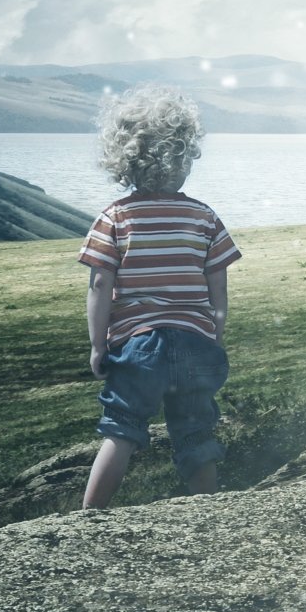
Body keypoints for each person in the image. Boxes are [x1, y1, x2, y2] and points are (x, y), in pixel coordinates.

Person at [77, 85, 242, 509]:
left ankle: (88, 517)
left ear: (125, 162)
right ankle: (208, 513)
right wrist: (214, 334)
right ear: (184, 158)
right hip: (194, 342)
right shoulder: (204, 217)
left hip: (138, 346)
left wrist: (99, 345)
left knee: (122, 429)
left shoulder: (115, 218)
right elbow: (217, 288)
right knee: (195, 432)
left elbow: (100, 285)